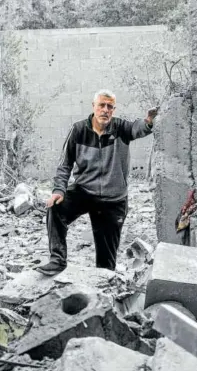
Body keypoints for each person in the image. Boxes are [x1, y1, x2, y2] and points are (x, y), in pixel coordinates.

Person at [36, 89, 158, 275]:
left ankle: (103, 291)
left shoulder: (121, 128)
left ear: (114, 110)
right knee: (56, 207)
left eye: (110, 107)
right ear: (94, 107)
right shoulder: (78, 130)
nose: (105, 110)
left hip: (114, 200)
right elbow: (65, 164)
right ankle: (57, 259)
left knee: (105, 264)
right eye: (101, 105)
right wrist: (59, 190)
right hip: (85, 192)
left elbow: (137, 128)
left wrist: (148, 121)